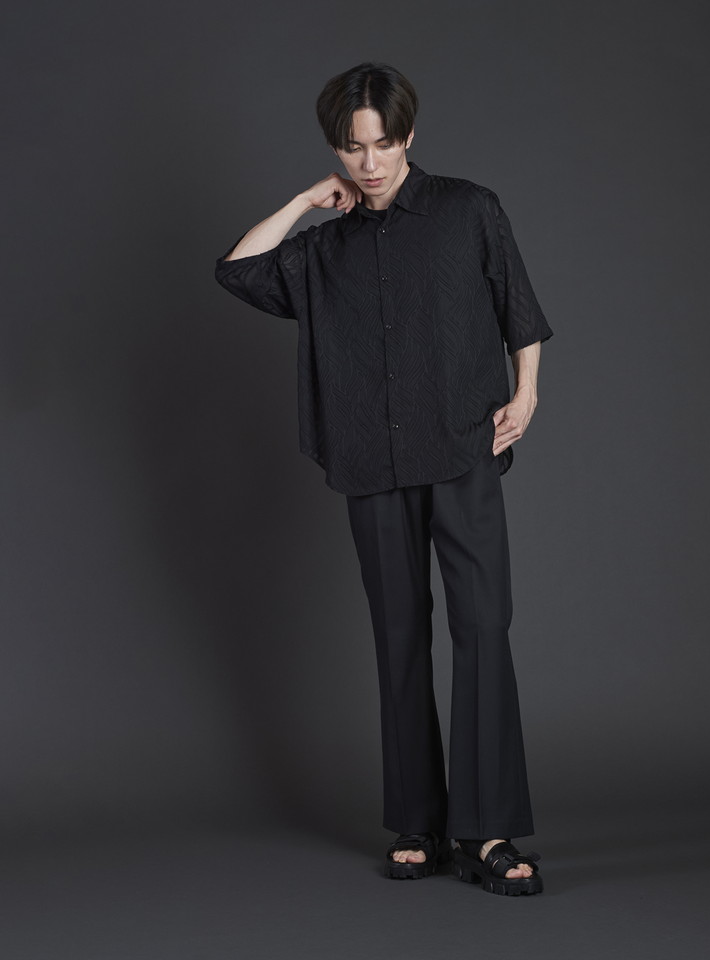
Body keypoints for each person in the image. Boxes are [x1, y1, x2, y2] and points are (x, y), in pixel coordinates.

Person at [214, 61, 553, 897]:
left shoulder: (469, 209)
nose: (370, 163)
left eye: (383, 143)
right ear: (335, 148)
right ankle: (418, 822)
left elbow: (518, 307)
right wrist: (302, 203)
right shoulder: (322, 249)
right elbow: (237, 269)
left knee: (483, 629)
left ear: (409, 136)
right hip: (372, 460)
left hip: (463, 448)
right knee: (400, 638)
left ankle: (489, 830)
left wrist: (527, 393)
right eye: (352, 147)